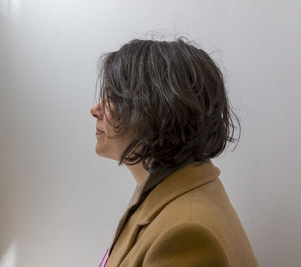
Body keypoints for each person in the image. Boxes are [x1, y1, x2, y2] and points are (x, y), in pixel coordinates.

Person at [90, 38, 259, 267]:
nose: (95, 110)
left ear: (152, 110)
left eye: (111, 98)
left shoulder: (185, 234)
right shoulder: (174, 191)